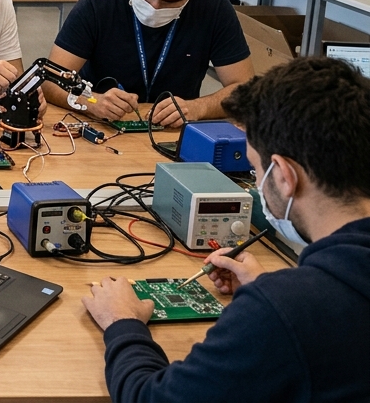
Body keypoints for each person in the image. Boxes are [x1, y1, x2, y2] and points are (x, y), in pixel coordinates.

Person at [82, 55, 370, 403]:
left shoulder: (284, 311)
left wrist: (123, 323)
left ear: (283, 175)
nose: (256, 185)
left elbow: (149, 398)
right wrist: (272, 290)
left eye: (254, 170)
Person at [43, 0, 254, 126]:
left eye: (170, 2)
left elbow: (245, 90)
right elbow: (50, 82)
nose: (154, 7)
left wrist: (198, 108)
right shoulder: (97, 5)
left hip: (174, 132)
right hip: (101, 126)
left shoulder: (214, 10)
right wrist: (92, 103)